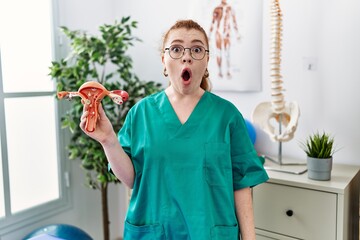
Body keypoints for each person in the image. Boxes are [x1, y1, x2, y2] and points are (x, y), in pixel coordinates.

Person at [80, 19, 268, 240]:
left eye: (197, 49)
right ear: (164, 60)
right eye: (176, 49)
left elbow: (242, 185)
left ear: (207, 60)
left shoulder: (227, 116)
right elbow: (133, 179)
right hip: (155, 233)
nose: (186, 56)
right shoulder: (141, 114)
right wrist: (108, 140)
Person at [209, 0, 241, 79]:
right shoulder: (217, 9)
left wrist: (237, 34)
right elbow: (213, 23)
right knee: (219, 52)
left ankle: (228, 71)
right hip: (219, 33)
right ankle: (220, 71)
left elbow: (234, 22)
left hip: (226, 33)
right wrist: (209, 36)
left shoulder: (230, 9)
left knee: (227, 53)